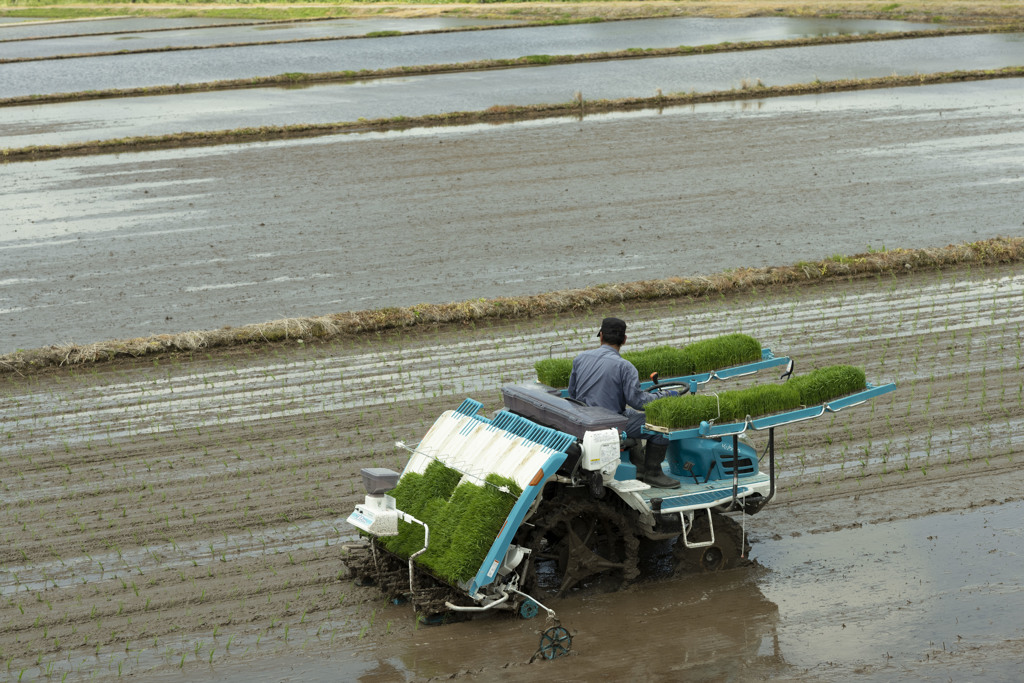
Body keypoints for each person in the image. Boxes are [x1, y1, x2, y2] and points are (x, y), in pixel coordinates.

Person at [567, 317, 680, 489]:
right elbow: (638, 401)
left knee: (632, 416)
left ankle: (639, 466)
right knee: (660, 426)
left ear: (601, 336)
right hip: (609, 423)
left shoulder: (580, 359)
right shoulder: (625, 367)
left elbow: (572, 394)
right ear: (624, 340)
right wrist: (665, 396)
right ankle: (653, 473)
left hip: (583, 420)